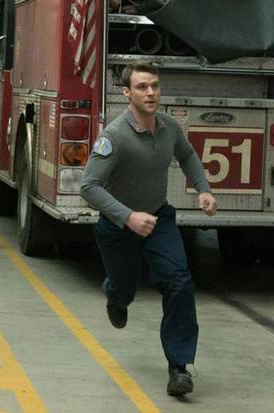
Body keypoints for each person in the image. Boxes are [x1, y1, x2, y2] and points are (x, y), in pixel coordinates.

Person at [80, 60, 217, 397]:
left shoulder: (169, 127)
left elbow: (187, 156)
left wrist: (203, 189)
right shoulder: (114, 136)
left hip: (158, 220)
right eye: (142, 87)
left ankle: (179, 366)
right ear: (127, 93)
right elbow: (88, 186)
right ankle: (115, 293)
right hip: (118, 228)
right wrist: (128, 217)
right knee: (126, 290)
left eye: (154, 85)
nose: (151, 92)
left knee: (179, 281)